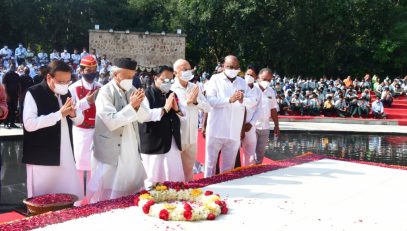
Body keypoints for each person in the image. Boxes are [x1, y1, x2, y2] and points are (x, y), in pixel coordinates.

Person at [87, 58, 147, 203]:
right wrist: (132, 107)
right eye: (127, 77)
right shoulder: (105, 92)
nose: (130, 80)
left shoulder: (133, 90)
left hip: (131, 145)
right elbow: (111, 122)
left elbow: (144, 117)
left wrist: (138, 107)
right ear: (115, 75)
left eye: (132, 76)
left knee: (131, 180)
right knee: (108, 186)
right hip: (110, 147)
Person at [22, 60, 84, 199]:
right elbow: (29, 124)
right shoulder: (33, 92)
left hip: (66, 154)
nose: (65, 85)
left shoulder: (68, 93)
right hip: (41, 156)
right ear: (49, 78)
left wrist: (73, 114)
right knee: (42, 199)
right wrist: (59, 115)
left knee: (68, 198)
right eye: (61, 82)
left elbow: (80, 119)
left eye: (68, 81)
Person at [204, 55, 255, 177]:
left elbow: (253, 101)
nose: (232, 69)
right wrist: (229, 100)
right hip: (216, 130)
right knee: (210, 164)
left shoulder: (242, 82)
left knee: (228, 168)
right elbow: (211, 101)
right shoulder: (215, 79)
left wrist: (243, 99)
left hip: (234, 131)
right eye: (229, 67)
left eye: (235, 67)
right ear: (223, 66)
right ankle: (207, 189)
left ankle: (226, 191)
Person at [137, 65, 185, 187]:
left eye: (171, 80)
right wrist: (164, 109)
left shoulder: (173, 94)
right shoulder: (145, 95)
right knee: (152, 179)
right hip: (153, 142)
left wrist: (177, 109)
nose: (168, 83)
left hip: (172, 141)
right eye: (164, 80)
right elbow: (144, 116)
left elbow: (183, 115)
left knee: (174, 178)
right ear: (155, 78)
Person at [171, 59, 210, 181]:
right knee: (174, 173)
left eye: (189, 69)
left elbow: (208, 107)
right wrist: (186, 102)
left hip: (192, 137)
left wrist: (195, 101)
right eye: (184, 69)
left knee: (189, 172)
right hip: (176, 138)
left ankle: (189, 195)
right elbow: (170, 110)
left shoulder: (194, 87)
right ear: (175, 73)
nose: (187, 71)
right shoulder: (171, 89)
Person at [68, 55, 102, 195]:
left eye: (94, 69)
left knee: (96, 165)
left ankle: (93, 197)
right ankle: (78, 198)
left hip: (97, 130)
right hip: (81, 131)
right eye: (88, 70)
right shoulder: (73, 88)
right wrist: (86, 101)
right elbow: (71, 109)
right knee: (80, 167)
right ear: (81, 71)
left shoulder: (100, 87)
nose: (92, 72)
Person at [254, 68, 280, 164]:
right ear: (258, 78)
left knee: (260, 154)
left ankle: (257, 174)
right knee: (250, 154)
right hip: (252, 126)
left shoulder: (271, 91)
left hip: (265, 127)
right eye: (264, 79)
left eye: (269, 80)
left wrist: (276, 125)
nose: (267, 82)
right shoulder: (252, 89)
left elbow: (273, 109)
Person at [241, 67, 262, 166]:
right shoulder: (239, 86)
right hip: (236, 124)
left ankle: (247, 173)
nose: (248, 77)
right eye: (247, 74)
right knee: (233, 152)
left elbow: (259, 109)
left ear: (256, 77)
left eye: (251, 75)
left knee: (249, 154)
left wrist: (251, 123)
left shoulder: (258, 91)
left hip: (250, 126)